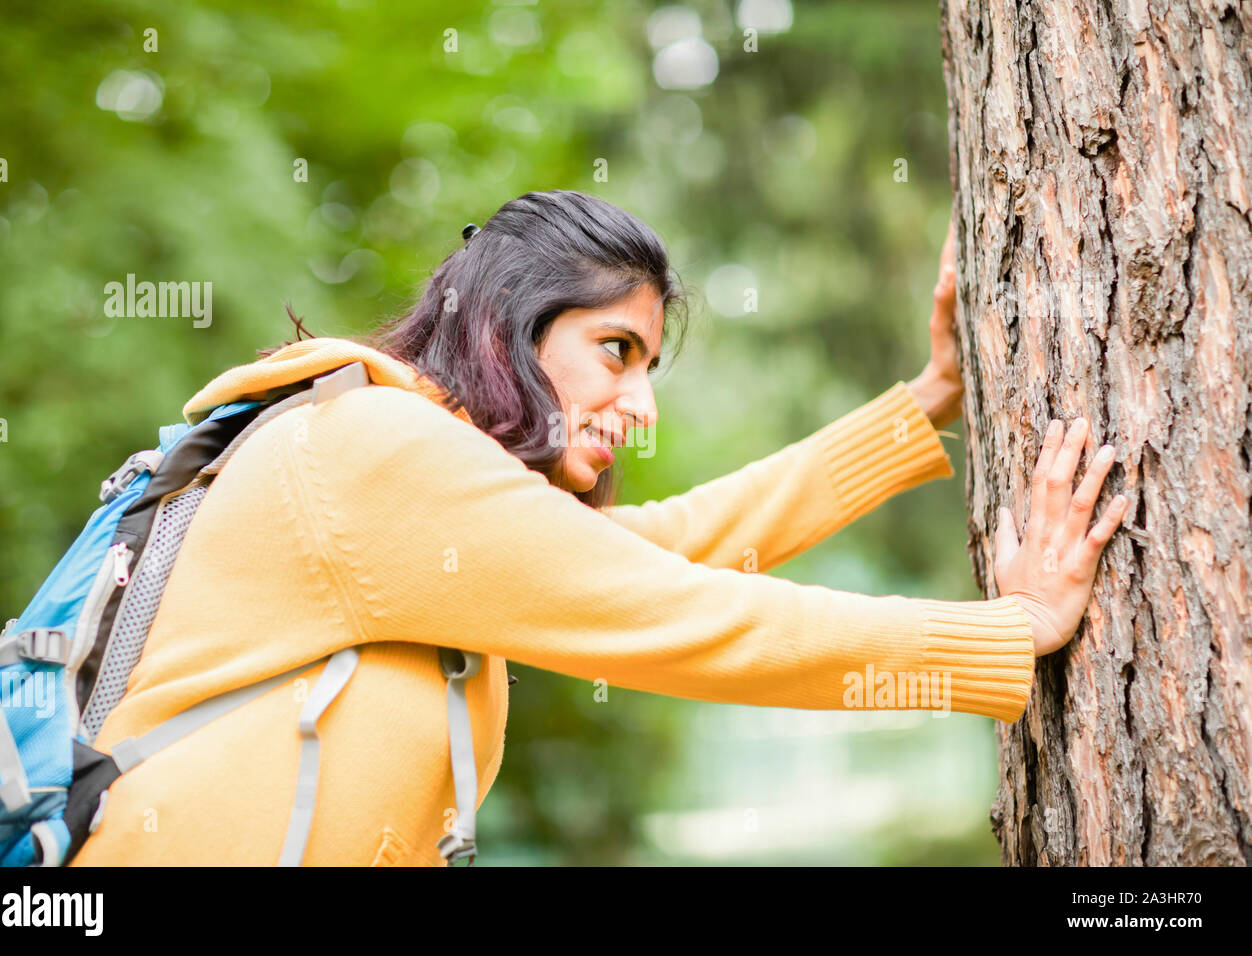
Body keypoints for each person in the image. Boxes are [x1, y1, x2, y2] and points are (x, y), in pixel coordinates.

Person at [70, 189, 1127, 866]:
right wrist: (1008, 628)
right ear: (508, 324)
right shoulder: (379, 445)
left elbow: (656, 550)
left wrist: (926, 399)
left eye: (649, 365)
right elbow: (684, 614)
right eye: (616, 348)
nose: (642, 406)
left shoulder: (409, 471)